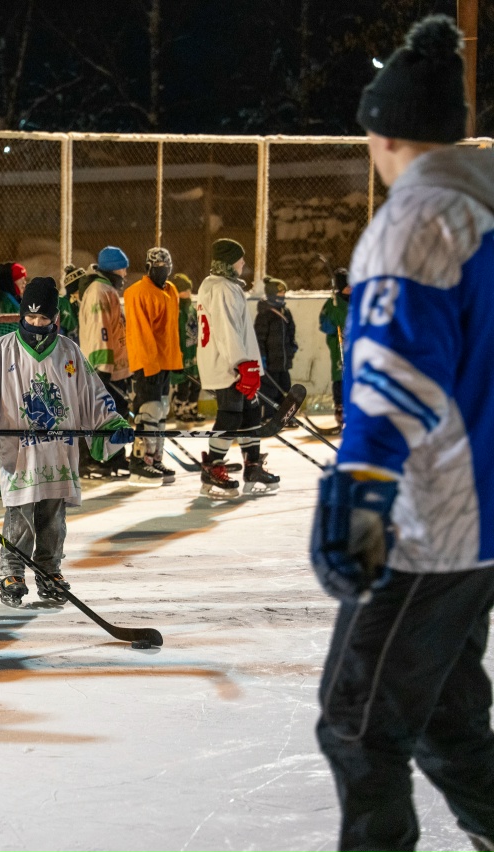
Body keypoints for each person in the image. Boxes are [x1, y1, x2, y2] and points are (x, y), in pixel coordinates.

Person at [310, 16, 494, 851]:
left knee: (358, 725)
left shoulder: (417, 221)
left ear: (381, 133)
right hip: (482, 520)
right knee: (444, 718)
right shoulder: (483, 214)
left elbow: (393, 376)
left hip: (436, 523)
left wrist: (362, 492)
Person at [0, 277, 133, 607]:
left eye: (43, 318)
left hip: (58, 453)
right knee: (21, 514)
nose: (37, 324)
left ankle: (49, 568)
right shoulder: (1, 350)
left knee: (53, 517)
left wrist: (111, 424)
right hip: (20, 456)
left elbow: (94, 395)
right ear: (21, 315)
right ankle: (12, 569)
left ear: (55, 317)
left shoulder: (70, 352)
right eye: (30, 317)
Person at [195, 238, 278, 498]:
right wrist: (241, 364)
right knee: (230, 415)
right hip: (228, 365)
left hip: (236, 364)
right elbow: (226, 329)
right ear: (229, 262)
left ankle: (252, 466)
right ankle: (212, 468)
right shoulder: (222, 288)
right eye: (239, 259)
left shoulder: (220, 285)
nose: (243, 263)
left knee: (251, 414)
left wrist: (248, 364)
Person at [123, 248, 181, 485]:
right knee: (148, 411)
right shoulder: (137, 292)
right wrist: (150, 365)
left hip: (164, 362)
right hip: (148, 362)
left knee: (161, 411)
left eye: (166, 267)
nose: (162, 271)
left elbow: (170, 331)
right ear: (148, 268)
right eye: (157, 267)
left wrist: (175, 360)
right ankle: (140, 462)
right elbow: (140, 333)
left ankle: (155, 458)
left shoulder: (171, 290)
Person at [78, 246, 132, 479]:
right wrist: (102, 369)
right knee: (96, 414)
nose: (125, 274)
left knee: (116, 412)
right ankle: (86, 460)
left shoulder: (106, 290)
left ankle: (114, 457)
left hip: (114, 367)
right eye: (122, 269)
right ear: (113, 269)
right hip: (102, 368)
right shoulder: (99, 292)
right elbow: (100, 330)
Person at [252, 275, 298, 422]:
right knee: (269, 390)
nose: (282, 296)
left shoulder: (286, 312)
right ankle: (268, 416)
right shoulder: (264, 315)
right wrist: (262, 357)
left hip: (283, 362)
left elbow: (291, 331)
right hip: (270, 363)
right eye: (279, 293)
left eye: (284, 293)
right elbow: (259, 338)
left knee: (285, 389)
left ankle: (284, 416)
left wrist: (292, 347)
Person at [318, 267, 350, 431]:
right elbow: (324, 325)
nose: (350, 288)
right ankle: (341, 411)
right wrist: (332, 321)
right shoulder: (333, 303)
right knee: (340, 375)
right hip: (339, 347)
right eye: (347, 286)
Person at [169, 273, 200, 422]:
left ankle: (191, 408)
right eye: (183, 290)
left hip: (193, 352)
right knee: (183, 384)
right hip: (182, 354)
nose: (188, 293)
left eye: (189, 289)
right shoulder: (175, 310)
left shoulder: (191, 309)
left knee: (196, 383)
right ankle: (179, 408)